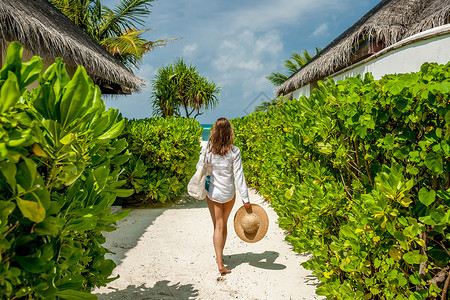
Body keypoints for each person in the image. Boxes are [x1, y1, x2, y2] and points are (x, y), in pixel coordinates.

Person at [196, 117, 251, 275]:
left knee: (217, 226)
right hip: (228, 194)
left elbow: (199, 167)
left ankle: (219, 261)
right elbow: (239, 175)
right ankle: (220, 259)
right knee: (223, 225)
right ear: (229, 132)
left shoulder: (208, 149)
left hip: (213, 193)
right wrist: (245, 199)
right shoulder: (235, 151)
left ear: (214, 131)